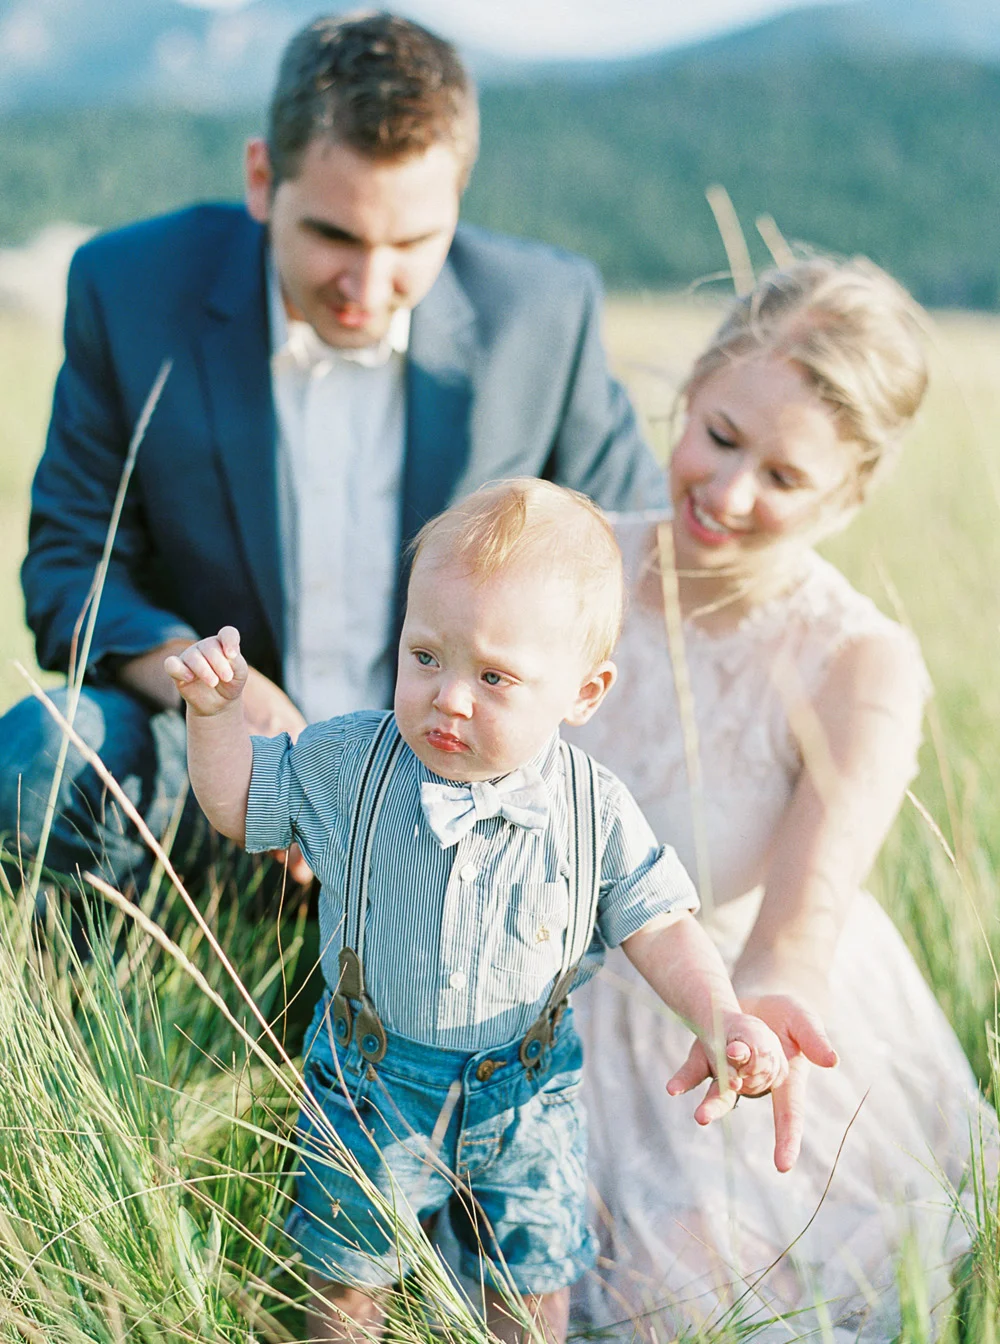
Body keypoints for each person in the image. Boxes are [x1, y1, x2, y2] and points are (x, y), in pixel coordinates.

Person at [0, 12, 664, 894]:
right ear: (261, 178)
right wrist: (223, 694)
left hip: (470, 796)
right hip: (219, 768)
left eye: (411, 246)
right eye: (335, 237)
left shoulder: (545, 316)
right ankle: (101, 1011)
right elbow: (70, 567)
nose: (367, 288)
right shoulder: (127, 289)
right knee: (40, 758)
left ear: (457, 202)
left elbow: (636, 572)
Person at [164, 479, 788, 1344]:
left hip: (527, 1091)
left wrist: (719, 1012)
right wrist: (216, 717)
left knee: (529, 1286)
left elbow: (660, 921)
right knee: (347, 1279)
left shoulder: (594, 807)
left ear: (583, 692)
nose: (449, 696)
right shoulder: (350, 761)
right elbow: (241, 806)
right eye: (425, 656)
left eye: (494, 676)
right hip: (370, 1075)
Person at [568, 256, 994, 1341]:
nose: (728, 494)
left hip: (712, 1014)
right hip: (522, 998)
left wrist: (750, 1015)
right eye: (716, 437)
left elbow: (803, 918)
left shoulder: (860, 666)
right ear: (693, 390)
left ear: (847, 494)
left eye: (784, 477)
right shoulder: (566, 568)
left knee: (676, 1306)